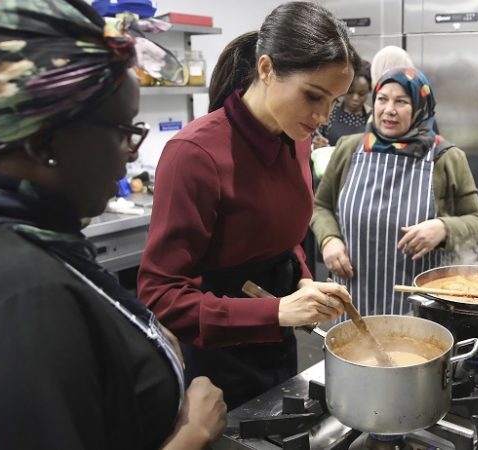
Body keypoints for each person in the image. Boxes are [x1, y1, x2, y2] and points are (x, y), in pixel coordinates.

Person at [0, 2, 226, 449]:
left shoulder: (12, 237)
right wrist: (192, 435)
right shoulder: (27, 299)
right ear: (45, 141)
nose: (131, 154)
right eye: (124, 131)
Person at [137, 1, 356, 410]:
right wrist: (274, 311)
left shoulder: (298, 139)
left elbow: (281, 238)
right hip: (216, 362)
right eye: (313, 96)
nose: (323, 116)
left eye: (334, 102)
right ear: (268, 69)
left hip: (278, 344)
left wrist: (303, 281)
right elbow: (160, 295)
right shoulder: (195, 154)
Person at [311, 67, 478, 317]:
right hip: (352, 299)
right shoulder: (350, 149)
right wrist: (329, 240)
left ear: (420, 107)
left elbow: (475, 222)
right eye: (382, 99)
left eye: (401, 101)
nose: (389, 109)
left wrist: (444, 228)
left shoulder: (446, 158)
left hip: (418, 307)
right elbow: (321, 206)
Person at [312, 61, 371, 148]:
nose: (355, 98)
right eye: (350, 92)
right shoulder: (329, 112)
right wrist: (316, 146)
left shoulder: (373, 119)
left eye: (361, 94)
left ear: (369, 91)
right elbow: (314, 141)